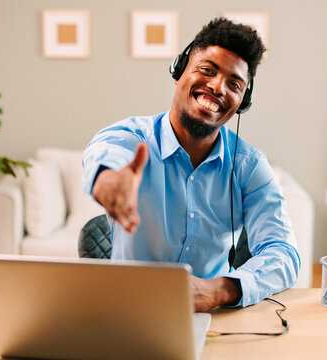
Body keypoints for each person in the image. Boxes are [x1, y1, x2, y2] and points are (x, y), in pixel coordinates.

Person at [82, 18, 300, 312]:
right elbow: (105, 154)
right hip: (128, 312)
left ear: (243, 101)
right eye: (207, 70)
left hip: (210, 317)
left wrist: (220, 290)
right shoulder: (130, 137)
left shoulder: (249, 166)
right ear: (178, 71)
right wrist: (108, 182)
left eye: (234, 84)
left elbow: (283, 252)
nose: (217, 87)